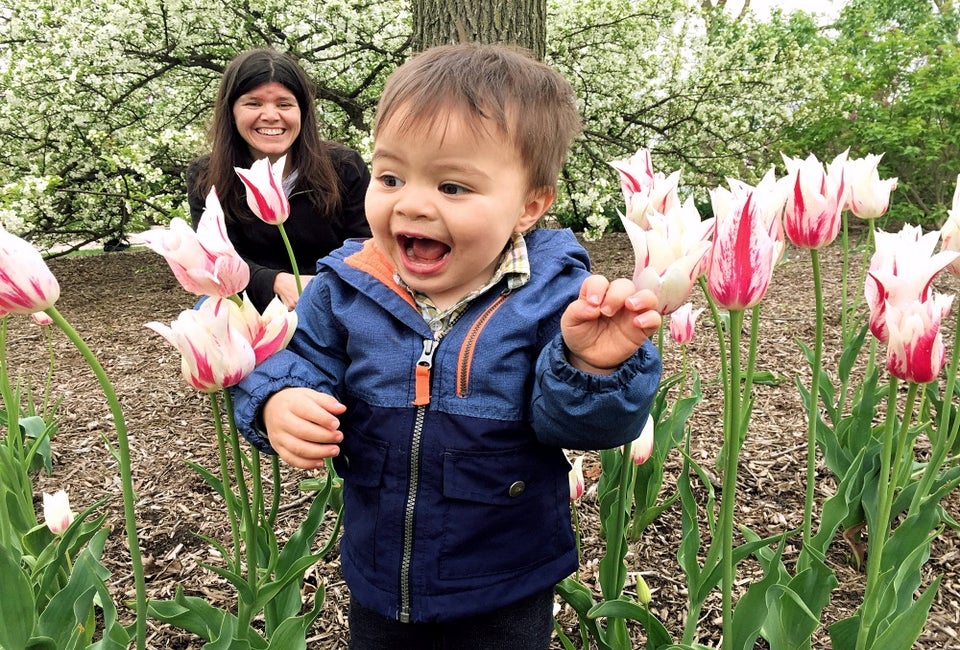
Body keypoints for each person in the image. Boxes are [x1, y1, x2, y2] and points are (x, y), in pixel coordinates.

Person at [232, 43, 662, 649]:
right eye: (390, 177)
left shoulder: (556, 300)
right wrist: (279, 399)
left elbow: (582, 428)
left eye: (453, 186)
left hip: (505, 585)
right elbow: (288, 355)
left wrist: (591, 365)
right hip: (379, 576)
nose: (411, 203)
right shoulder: (346, 287)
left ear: (529, 206)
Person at [187, 48, 371, 311]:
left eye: (284, 104)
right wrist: (275, 281)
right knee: (204, 310)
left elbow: (366, 244)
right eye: (254, 103)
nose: (271, 116)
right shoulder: (206, 176)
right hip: (254, 303)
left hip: (334, 298)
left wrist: (320, 285)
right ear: (231, 112)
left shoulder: (344, 167)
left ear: (302, 111)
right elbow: (218, 258)